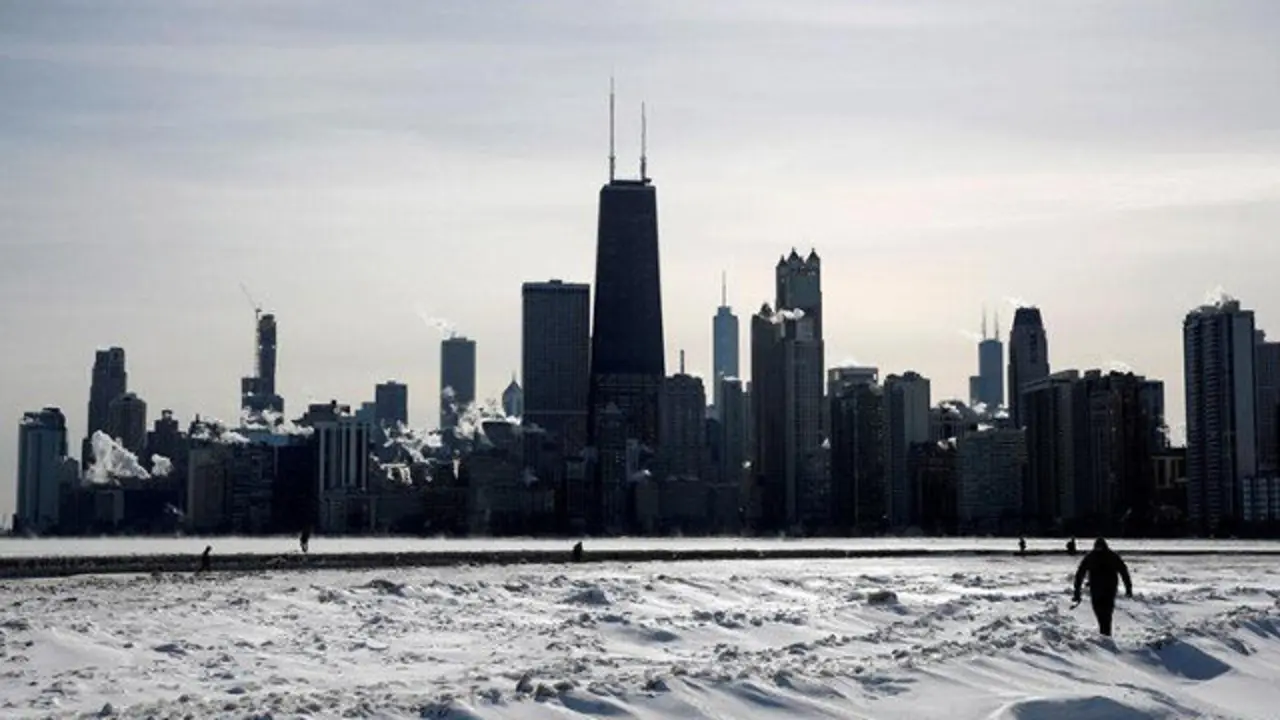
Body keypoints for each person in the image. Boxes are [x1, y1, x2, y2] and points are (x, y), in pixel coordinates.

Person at [1073, 538, 1133, 637]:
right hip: (1098, 588)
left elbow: (1123, 571)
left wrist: (1128, 588)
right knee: (1100, 612)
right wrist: (1077, 591)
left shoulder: (1110, 556)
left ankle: (1105, 634)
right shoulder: (1092, 557)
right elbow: (1080, 574)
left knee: (1107, 612)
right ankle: (1104, 632)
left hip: (1108, 589)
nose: (1099, 549)